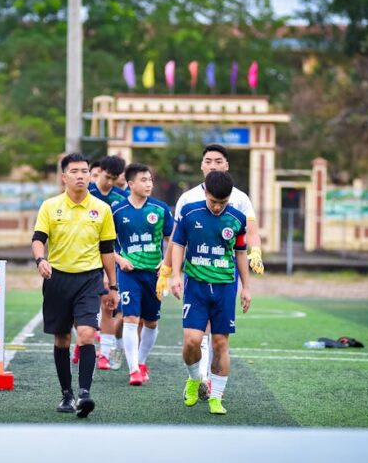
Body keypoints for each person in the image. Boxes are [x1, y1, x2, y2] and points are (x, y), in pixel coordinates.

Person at [157, 143, 264, 399]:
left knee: (218, 339)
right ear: (201, 165)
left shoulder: (240, 199)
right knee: (195, 335)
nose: (212, 165)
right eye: (208, 161)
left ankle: (211, 387)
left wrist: (255, 252)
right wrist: (169, 270)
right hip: (196, 275)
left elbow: (249, 234)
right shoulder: (188, 198)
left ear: (226, 165)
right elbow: (176, 238)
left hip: (224, 275)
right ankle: (199, 378)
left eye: (218, 161)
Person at [32, 153, 119, 418]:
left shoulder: (102, 210)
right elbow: (38, 239)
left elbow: (107, 250)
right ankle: (66, 394)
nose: (81, 175)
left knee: (85, 334)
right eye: (75, 171)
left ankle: (84, 394)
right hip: (57, 278)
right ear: (64, 177)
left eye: (85, 171)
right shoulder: (50, 206)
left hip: (89, 279)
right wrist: (40, 260)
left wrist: (113, 286)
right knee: (62, 339)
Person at [170, 171, 251, 415]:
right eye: (214, 201)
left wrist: (246, 287)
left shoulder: (237, 218)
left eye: (222, 203)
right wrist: (175, 275)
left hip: (225, 288)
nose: (217, 207)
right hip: (196, 286)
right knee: (192, 341)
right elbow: (178, 244)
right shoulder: (190, 212)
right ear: (205, 192)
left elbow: (240, 253)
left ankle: (216, 397)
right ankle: (194, 379)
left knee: (220, 343)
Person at [112, 163, 173, 386]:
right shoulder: (117, 211)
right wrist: (120, 260)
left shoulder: (160, 209)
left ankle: (142, 360)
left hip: (155, 275)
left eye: (150, 180)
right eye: (143, 180)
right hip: (129, 274)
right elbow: (105, 245)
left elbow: (174, 241)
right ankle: (134, 370)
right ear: (130, 184)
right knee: (130, 318)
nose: (149, 184)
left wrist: (167, 266)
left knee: (151, 322)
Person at [88, 155, 127, 370]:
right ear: (99, 170)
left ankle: (106, 352)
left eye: (114, 178)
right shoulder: (86, 194)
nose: (110, 182)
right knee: (92, 306)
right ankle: (92, 346)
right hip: (88, 258)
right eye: (107, 177)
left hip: (112, 258)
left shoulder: (122, 198)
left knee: (110, 306)